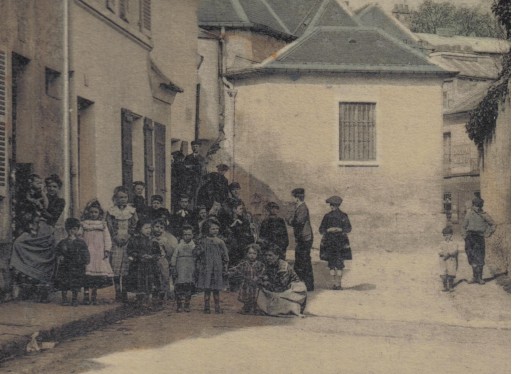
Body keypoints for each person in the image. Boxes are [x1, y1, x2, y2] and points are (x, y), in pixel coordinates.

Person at [10, 210, 56, 302]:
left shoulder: (46, 229)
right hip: (34, 252)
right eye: (36, 220)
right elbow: (21, 241)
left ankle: (42, 295)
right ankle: (28, 293)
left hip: (44, 257)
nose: (37, 223)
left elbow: (45, 240)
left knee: (42, 277)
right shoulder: (28, 232)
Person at [106, 186, 138, 302]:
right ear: (115, 198)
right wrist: (115, 237)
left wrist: (129, 236)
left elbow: (134, 224)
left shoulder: (131, 211)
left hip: (127, 242)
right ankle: (117, 291)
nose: (123, 199)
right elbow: (109, 225)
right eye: (120, 197)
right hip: (115, 241)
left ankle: (124, 291)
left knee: (126, 267)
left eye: (125, 197)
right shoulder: (111, 211)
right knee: (115, 266)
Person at [257, 245, 307, 316]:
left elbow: (282, 285)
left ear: (277, 256)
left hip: (290, 289)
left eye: (270, 255)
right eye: (266, 255)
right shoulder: (267, 265)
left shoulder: (283, 266)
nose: (268, 258)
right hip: (277, 288)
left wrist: (266, 283)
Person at [81, 199, 114, 305]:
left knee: (96, 276)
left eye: (95, 212)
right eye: (91, 212)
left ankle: (94, 295)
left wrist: (107, 250)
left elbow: (107, 238)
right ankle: (86, 295)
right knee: (86, 274)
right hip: (87, 252)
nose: (93, 214)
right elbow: (79, 237)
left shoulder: (102, 225)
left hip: (98, 253)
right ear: (87, 213)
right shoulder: (84, 224)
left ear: (99, 213)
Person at [194, 218, 229, 314]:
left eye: (217, 228)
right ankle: (206, 307)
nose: (215, 231)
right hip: (206, 268)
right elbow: (197, 253)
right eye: (213, 229)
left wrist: (225, 266)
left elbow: (225, 255)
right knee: (207, 288)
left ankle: (217, 307)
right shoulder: (203, 241)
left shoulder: (220, 242)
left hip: (217, 268)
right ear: (207, 229)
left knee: (216, 289)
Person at [319, 196, 352, 290]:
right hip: (330, 242)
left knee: (340, 264)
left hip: (341, 243)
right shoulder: (327, 216)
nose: (331, 206)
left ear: (338, 205)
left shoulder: (344, 216)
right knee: (332, 264)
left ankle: (339, 284)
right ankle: (334, 284)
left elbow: (349, 228)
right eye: (331, 205)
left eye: (333, 205)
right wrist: (328, 229)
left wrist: (340, 229)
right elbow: (321, 229)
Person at [55, 218, 90, 307]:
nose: (71, 231)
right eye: (69, 229)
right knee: (64, 282)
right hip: (65, 266)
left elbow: (85, 252)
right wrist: (60, 256)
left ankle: (74, 299)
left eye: (74, 229)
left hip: (77, 266)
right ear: (67, 229)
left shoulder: (81, 242)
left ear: (77, 230)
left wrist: (85, 260)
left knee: (76, 283)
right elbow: (58, 251)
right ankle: (64, 299)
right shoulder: (63, 242)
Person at [461, 197, 496, 285]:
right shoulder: (469, 214)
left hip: (479, 238)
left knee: (480, 257)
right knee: (471, 257)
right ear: (473, 205)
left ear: (481, 206)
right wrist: (465, 236)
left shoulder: (484, 214)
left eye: (479, 206)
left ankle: (480, 278)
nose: (477, 208)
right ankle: (474, 277)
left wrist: (488, 233)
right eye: (475, 206)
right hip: (470, 238)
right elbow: (463, 227)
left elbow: (493, 224)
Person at [126, 220, 161, 304]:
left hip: (150, 265)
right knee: (139, 282)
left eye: (149, 228)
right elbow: (130, 251)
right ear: (140, 229)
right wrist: (139, 256)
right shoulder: (134, 240)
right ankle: (139, 299)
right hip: (138, 265)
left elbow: (157, 253)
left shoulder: (153, 241)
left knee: (149, 282)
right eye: (146, 228)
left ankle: (148, 299)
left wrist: (152, 256)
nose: (148, 230)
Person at [287, 188, 314, 291]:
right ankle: (304, 284)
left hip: (305, 238)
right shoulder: (299, 207)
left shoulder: (302, 208)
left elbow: (298, 222)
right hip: (303, 238)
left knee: (304, 261)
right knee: (301, 260)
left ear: (297, 198)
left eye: (292, 197)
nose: (292, 199)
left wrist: (289, 220)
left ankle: (307, 285)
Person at [228, 244, 265, 314]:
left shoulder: (260, 264)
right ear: (247, 254)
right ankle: (246, 307)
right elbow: (236, 268)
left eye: (254, 253)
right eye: (250, 253)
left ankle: (254, 308)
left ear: (258, 254)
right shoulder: (244, 263)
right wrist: (229, 271)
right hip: (246, 283)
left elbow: (262, 272)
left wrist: (258, 278)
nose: (252, 255)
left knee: (255, 296)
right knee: (246, 295)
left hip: (255, 284)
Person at [170, 225, 197, 312]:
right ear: (182, 236)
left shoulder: (194, 246)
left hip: (190, 268)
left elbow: (197, 257)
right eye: (185, 234)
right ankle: (179, 305)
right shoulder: (179, 246)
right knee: (179, 286)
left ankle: (187, 305)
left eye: (189, 234)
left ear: (192, 235)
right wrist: (173, 266)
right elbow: (174, 256)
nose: (187, 236)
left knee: (188, 286)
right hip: (180, 268)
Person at [152, 218, 178, 300]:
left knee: (165, 276)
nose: (158, 229)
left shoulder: (168, 238)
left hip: (163, 259)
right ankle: (155, 294)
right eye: (157, 226)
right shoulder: (150, 237)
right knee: (154, 276)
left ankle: (165, 294)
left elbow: (171, 251)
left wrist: (165, 244)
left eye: (161, 227)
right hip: (152, 260)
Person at [183, 140, 206, 205]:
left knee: (197, 196)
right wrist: (194, 167)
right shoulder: (188, 157)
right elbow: (185, 167)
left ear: (199, 147)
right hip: (189, 180)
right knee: (188, 196)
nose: (195, 148)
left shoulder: (202, 158)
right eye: (193, 146)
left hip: (198, 180)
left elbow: (201, 168)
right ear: (191, 147)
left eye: (196, 146)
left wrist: (191, 167)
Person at [439, 226, 458, 292]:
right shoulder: (442, 243)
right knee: (443, 273)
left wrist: (450, 254)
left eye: (448, 235)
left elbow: (455, 251)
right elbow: (439, 250)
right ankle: (445, 286)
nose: (446, 237)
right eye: (445, 235)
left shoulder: (454, 243)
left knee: (451, 273)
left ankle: (450, 286)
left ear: (451, 235)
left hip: (451, 260)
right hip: (443, 260)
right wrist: (442, 253)